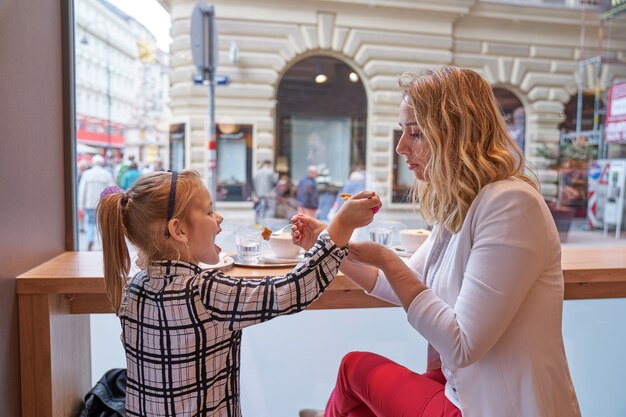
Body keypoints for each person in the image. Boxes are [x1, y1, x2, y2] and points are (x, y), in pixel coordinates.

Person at [295, 66, 581, 417]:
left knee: (353, 369)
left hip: (493, 407)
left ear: (457, 135)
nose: (401, 147)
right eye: (403, 131)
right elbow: (392, 283)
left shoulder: (511, 205)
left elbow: (461, 345)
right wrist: (328, 245)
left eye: (415, 133)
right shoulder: (464, 205)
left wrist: (386, 258)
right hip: (464, 391)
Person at [96, 169, 380, 417]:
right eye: (208, 211)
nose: (218, 218)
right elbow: (296, 288)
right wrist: (342, 225)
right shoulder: (204, 292)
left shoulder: (134, 288)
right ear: (178, 229)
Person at [78, 154, 114, 251]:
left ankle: (90, 239)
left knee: (90, 222)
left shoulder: (86, 174)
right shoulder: (107, 174)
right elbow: (112, 190)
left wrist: (81, 205)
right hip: (103, 203)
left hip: (90, 204)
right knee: (103, 223)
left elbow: (82, 190)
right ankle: (105, 243)